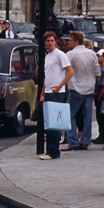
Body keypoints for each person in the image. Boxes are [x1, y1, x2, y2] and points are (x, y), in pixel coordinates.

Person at [38, 31, 73, 160]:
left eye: (52, 40)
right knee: (49, 122)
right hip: (48, 91)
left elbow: (70, 72)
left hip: (57, 92)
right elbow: (46, 77)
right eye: (48, 41)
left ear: (55, 42)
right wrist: (42, 93)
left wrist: (59, 86)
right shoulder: (47, 57)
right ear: (44, 43)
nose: (50, 43)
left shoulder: (60, 55)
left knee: (54, 123)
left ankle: (52, 152)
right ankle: (52, 150)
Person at [65, 32, 99, 151]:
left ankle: (73, 141)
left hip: (76, 88)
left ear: (76, 42)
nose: (68, 42)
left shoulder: (71, 54)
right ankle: (85, 141)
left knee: (70, 115)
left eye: (70, 40)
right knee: (87, 116)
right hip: (89, 89)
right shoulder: (92, 53)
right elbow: (97, 72)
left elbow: (63, 67)